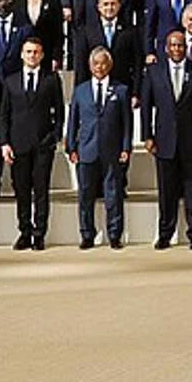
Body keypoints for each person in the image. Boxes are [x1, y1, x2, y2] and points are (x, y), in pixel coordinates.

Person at [141, 31, 192, 249]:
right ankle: (165, 233)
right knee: (166, 190)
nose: (177, 49)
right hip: (164, 140)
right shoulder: (154, 72)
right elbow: (146, 107)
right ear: (166, 48)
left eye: (180, 45)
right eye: (173, 45)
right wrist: (147, 136)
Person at [63, 46, 130, 250]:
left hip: (112, 150)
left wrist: (126, 148)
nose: (99, 67)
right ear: (90, 66)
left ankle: (114, 234)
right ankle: (87, 234)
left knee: (113, 195)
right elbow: (73, 121)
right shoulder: (80, 91)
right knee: (85, 195)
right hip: (86, 150)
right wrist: (71, 147)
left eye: (103, 63)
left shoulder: (121, 90)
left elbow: (127, 123)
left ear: (109, 65)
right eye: (96, 63)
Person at [0, 36, 62, 249]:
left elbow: (60, 112)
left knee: (41, 190)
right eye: (28, 52)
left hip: (43, 144)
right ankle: (24, 231)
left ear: (42, 55)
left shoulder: (51, 79)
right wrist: (5, 143)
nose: (32, 55)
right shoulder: (10, 81)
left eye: (36, 52)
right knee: (22, 190)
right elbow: (3, 115)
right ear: (21, 54)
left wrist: (54, 136)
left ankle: (39, 233)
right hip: (18, 144)